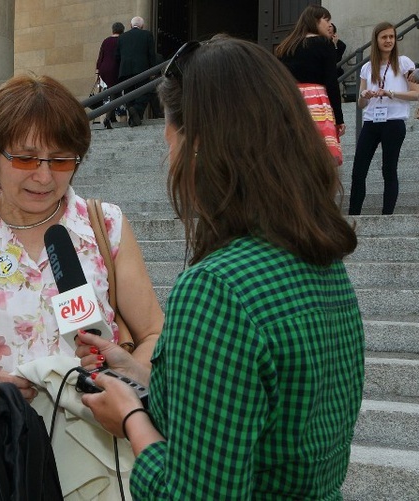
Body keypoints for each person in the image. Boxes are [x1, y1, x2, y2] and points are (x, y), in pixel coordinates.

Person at [77, 36, 365, 499]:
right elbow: (245, 408)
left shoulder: (217, 287)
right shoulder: (324, 263)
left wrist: (131, 419)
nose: (168, 159)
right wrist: (139, 373)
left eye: (168, 141)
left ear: (198, 146)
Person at [0, 73, 163, 379]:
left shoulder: (107, 226)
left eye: (60, 160)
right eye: (25, 158)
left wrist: (125, 380)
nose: (44, 177)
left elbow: (154, 334)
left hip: (95, 423)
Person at [348, 22, 419, 215]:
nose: (388, 41)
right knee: (358, 170)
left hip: (394, 122)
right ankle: (354, 215)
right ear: (376, 40)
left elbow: (416, 94)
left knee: (389, 169)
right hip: (371, 122)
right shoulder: (367, 67)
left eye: (391, 37)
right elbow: (360, 104)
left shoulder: (404, 63)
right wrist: (364, 96)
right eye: (384, 37)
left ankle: (387, 215)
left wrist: (390, 93)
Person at [276, 5, 345, 166]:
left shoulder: (287, 45)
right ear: (315, 20)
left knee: (296, 152)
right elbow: (331, 81)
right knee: (320, 155)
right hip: (317, 101)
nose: (329, 25)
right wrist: (339, 118)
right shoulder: (324, 43)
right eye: (326, 20)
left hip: (292, 101)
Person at [116, 16, 158, 127]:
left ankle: (134, 117)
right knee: (146, 91)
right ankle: (136, 109)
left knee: (129, 94)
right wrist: (153, 70)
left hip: (125, 70)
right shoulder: (147, 35)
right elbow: (151, 54)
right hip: (142, 69)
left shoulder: (122, 37)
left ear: (130, 25)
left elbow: (117, 56)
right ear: (142, 26)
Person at [96, 21, 125, 129]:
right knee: (116, 93)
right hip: (116, 70)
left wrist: (98, 72)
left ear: (112, 30)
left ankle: (111, 117)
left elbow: (101, 56)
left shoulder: (106, 41)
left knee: (112, 93)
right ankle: (108, 117)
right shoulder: (122, 40)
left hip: (104, 70)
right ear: (122, 31)